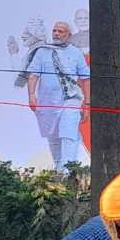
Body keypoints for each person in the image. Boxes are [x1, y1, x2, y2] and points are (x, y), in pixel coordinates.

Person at [25, 21, 90, 171]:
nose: (56, 34)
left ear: (69, 35)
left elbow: (86, 79)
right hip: (47, 102)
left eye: (61, 31)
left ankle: (69, 169)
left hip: (71, 100)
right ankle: (60, 169)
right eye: (54, 30)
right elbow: (33, 74)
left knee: (69, 132)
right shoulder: (42, 51)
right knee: (53, 136)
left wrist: (86, 104)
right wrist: (31, 95)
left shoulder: (76, 52)